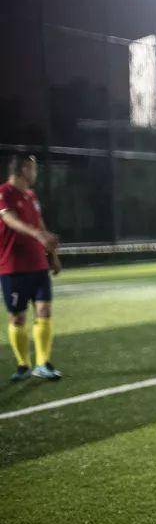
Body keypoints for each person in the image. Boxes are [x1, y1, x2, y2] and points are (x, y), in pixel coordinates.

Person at [0, 154, 62, 381]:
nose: (35, 173)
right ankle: (23, 365)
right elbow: (10, 220)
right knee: (18, 318)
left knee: (44, 311)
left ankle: (42, 363)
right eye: (33, 169)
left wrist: (52, 255)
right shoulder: (4, 192)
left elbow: (40, 225)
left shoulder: (31, 195)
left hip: (38, 265)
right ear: (25, 170)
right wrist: (37, 234)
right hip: (13, 267)